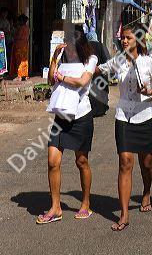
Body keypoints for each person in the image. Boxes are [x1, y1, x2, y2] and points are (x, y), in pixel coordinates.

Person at [96, 23, 152, 231]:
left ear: (138, 40)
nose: (124, 41)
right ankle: (124, 214)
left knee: (146, 162)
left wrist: (149, 91)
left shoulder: (149, 62)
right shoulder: (118, 62)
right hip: (124, 116)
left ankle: (146, 191)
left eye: (129, 38)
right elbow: (99, 70)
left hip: (145, 116)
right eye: (123, 38)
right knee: (125, 162)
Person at [36, 25, 98, 224]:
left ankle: (86, 202)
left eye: (71, 46)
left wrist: (61, 77)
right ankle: (56, 208)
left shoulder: (91, 60)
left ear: (79, 45)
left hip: (81, 116)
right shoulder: (61, 57)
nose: (68, 49)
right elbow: (49, 80)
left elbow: (82, 81)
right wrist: (54, 56)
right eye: (66, 46)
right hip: (61, 116)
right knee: (53, 161)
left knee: (81, 162)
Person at [86, 32, 110, 117]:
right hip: (100, 73)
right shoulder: (101, 45)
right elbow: (107, 59)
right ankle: (101, 110)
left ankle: (91, 110)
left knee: (91, 93)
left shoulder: (86, 46)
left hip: (89, 73)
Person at [9, 14, 29, 81]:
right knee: (24, 60)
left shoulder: (21, 28)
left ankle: (19, 76)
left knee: (19, 61)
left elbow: (19, 37)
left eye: (19, 21)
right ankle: (25, 75)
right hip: (25, 46)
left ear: (22, 21)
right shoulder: (27, 27)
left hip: (19, 46)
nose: (18, 22)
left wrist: (13, 36)